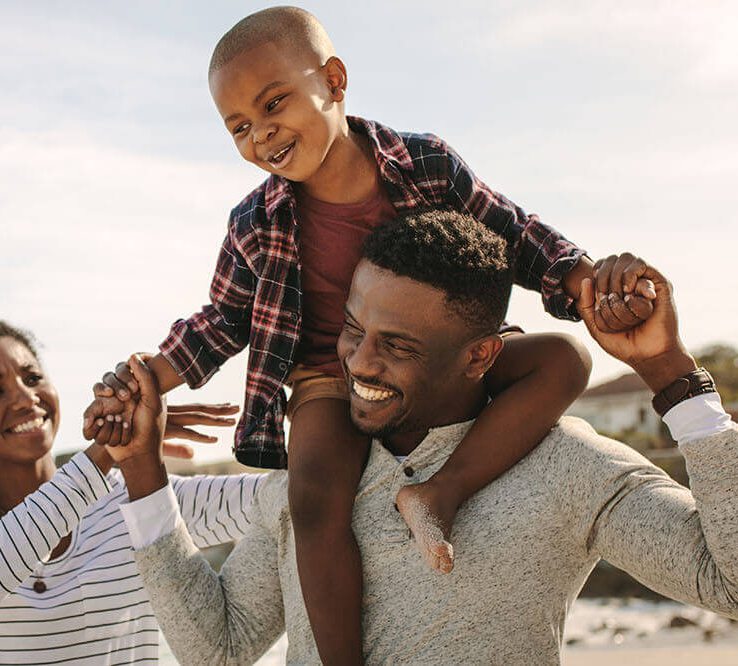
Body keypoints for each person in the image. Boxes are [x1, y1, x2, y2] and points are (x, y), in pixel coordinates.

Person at [83, 7, 657, 662]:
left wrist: (589, 283)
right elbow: (223, 319)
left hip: (438, 363)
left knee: (563, 359)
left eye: (274, 103)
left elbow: (513, 232)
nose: (261, 133)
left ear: (333, 79)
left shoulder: (425, 164)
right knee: (313, 497)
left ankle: (439, 491)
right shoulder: (254, 221)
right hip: (331, 380)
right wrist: (145, 378)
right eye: (239, 126)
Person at [109, 208, 738, 664]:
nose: (359, 363)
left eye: (397, 346)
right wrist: (143, 473)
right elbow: (221, 651)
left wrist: (669, 374)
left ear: (481, 354)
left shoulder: (565, 466)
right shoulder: (313, 480)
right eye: (353, 330)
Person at [0, 302, 264, 664]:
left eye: (33, 376)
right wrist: (111, 447)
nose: (26, 398)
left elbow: (280, 502)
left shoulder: (137, 497)